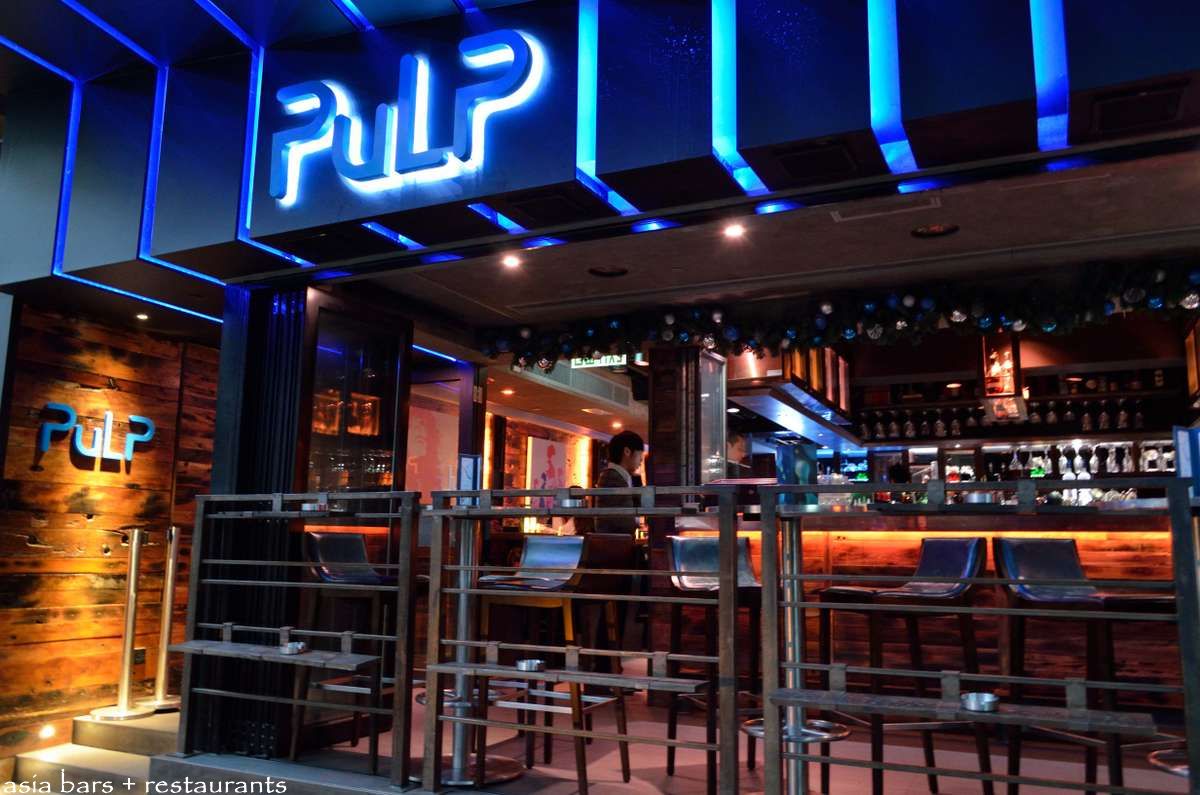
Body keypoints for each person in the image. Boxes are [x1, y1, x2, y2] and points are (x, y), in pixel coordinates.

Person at [593, 430, 645, 536]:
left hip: (617, 539)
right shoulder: (612, 477)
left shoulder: (622, 476)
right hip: (613, 541)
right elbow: (623, 521)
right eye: (640, 454)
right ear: (627, 452)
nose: (641, 460)